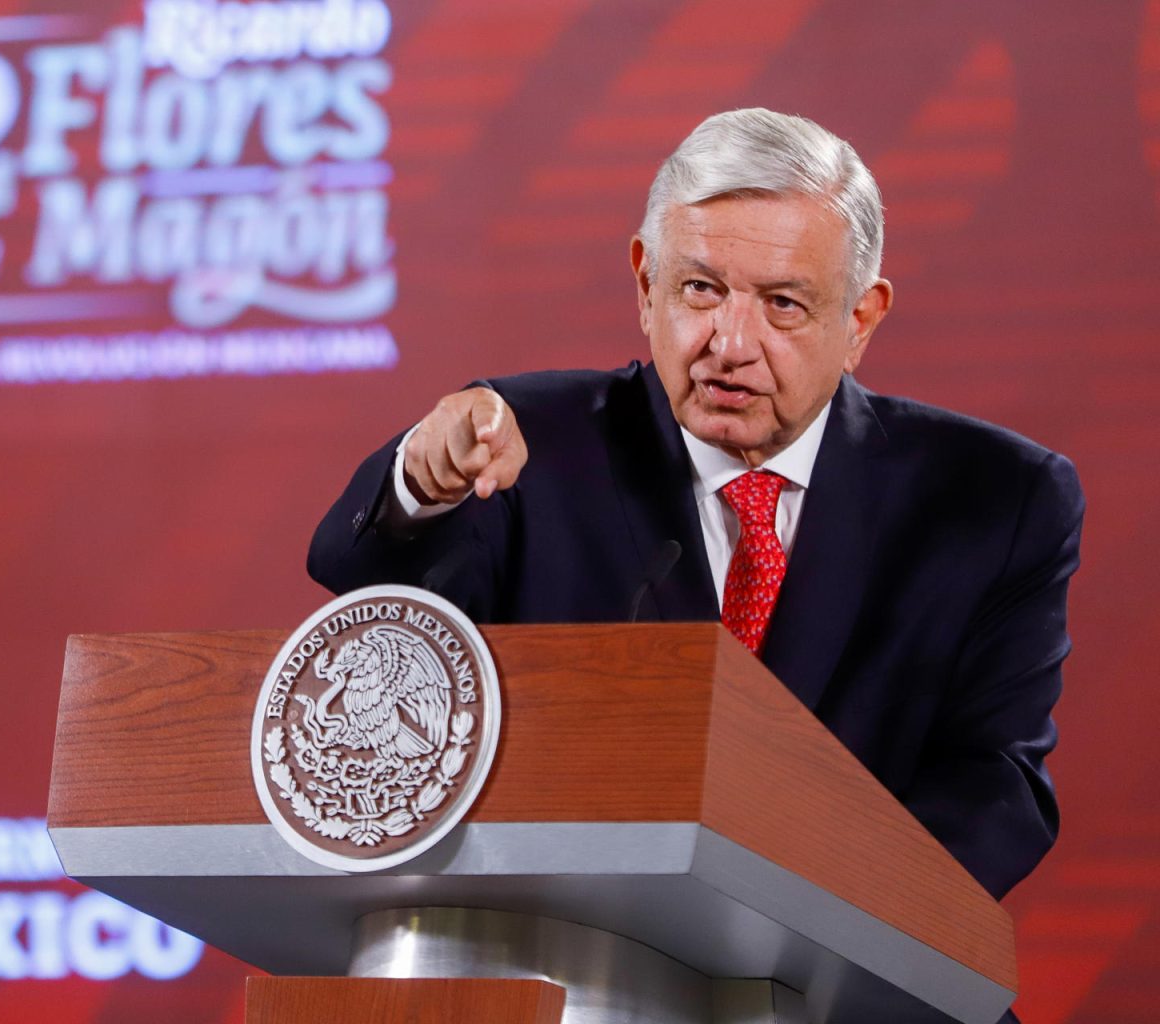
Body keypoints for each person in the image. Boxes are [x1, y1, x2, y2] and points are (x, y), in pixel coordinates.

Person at [307, 108, 1084, 907]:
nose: (730, 342)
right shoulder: (525, 447)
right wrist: (423, 479)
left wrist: (828, 921)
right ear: (646, 285)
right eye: (700, 290)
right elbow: (360, 581)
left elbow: (997, 783)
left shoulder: (996, 499)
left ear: (859, 320)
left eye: (782, 304)